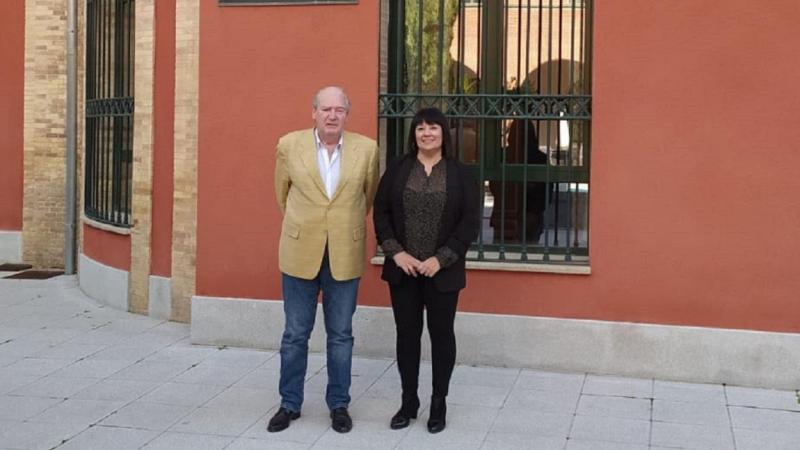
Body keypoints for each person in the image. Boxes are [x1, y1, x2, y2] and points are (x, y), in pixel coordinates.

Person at [269, 86, 379, 434]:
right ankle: (289, 403)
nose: (332, 116)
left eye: (339, 110)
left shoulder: (367, 149)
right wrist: (309, 226)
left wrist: (338, 226)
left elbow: (368, 195)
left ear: (348, 113)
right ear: (313, 112)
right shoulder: (289, 145)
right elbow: (282, 194)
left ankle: (339, 404)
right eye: (326, 109)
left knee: (341, 335)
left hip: (345, 251)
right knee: (295, 334)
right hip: (301, 251)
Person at [373, 107, 479, 433]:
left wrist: (441, 258)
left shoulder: (460, 174)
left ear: (444, 133)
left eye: (433, 128)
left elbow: (470, 222)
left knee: (441, 336)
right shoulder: (398, 169)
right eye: (420, 128)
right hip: (403, 271)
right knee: (407, 336)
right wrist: (396, 253)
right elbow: (381, 213)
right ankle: (409, 401)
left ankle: (438, 402)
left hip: (442, 272)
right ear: (413, 135)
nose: (426, 133)